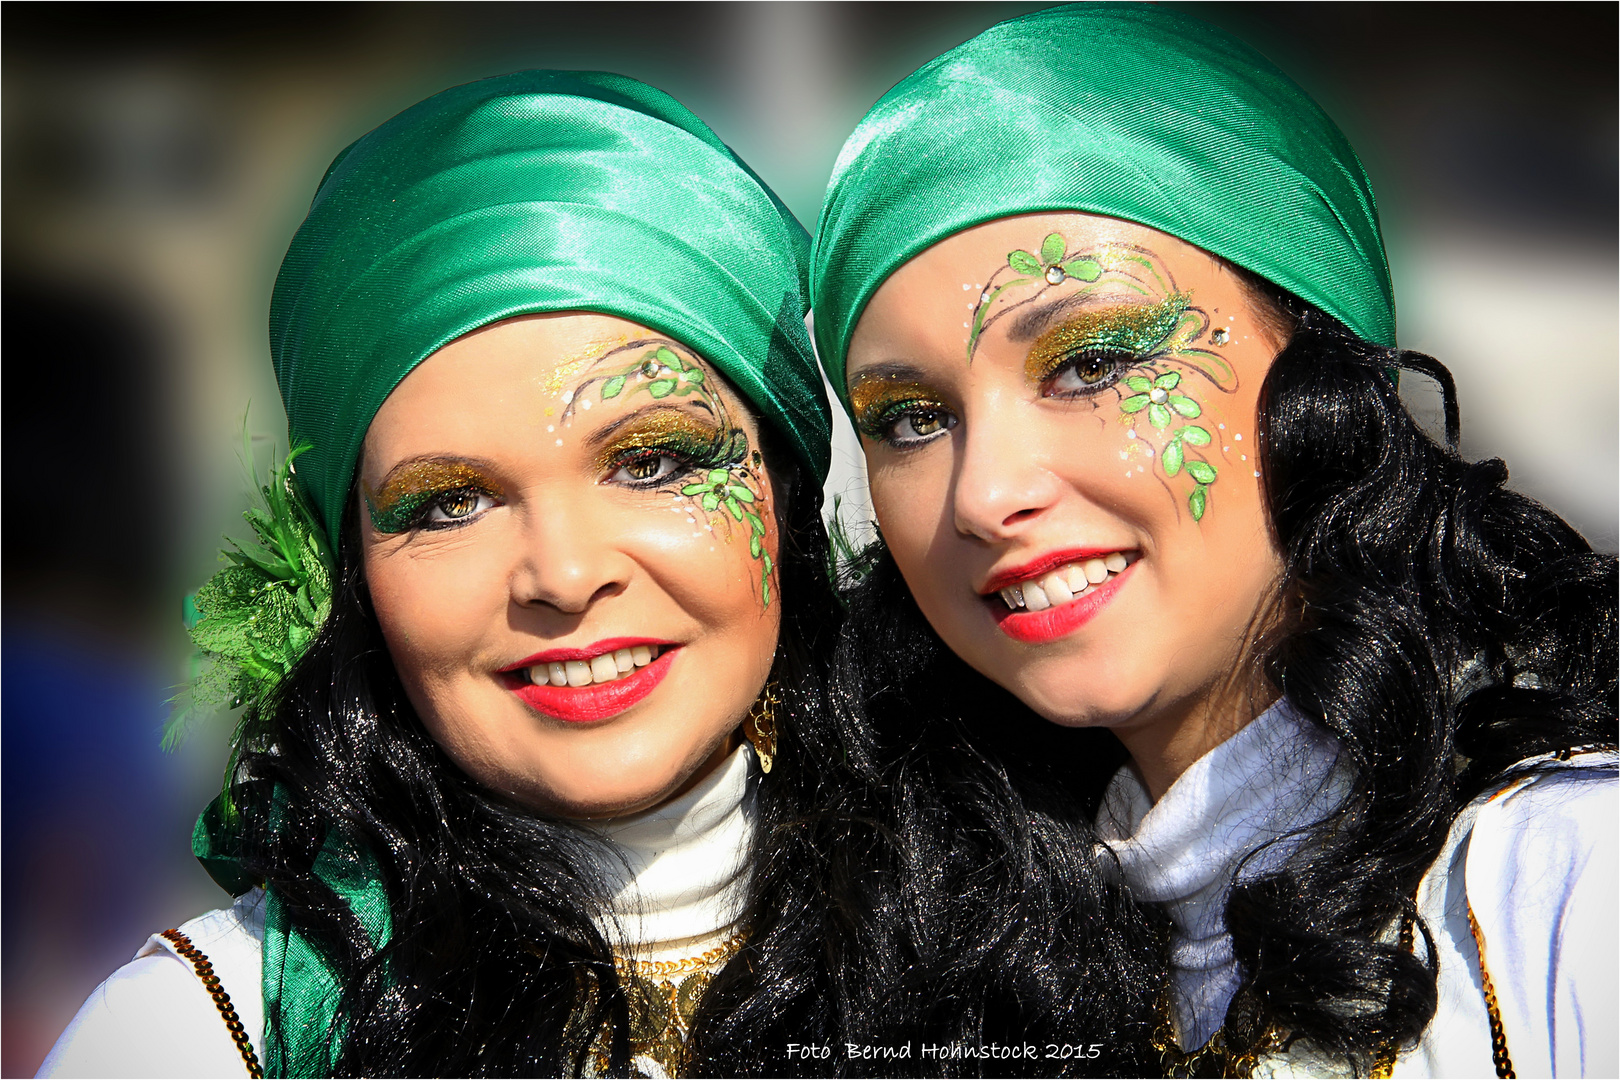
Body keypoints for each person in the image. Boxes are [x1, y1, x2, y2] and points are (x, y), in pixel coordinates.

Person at [812, 5, 1618, 1077]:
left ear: (1322, 376)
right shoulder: (958, 949)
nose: (986, 494)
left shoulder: (1566, 877)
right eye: (912, 419)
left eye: (1092, 361)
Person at [40, 70, 870, 1079]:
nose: (562, 576)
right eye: (448, 503)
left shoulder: (1034, 913)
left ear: (783, 493)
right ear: (353, 580)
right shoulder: (199, 1037)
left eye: (649, 461)